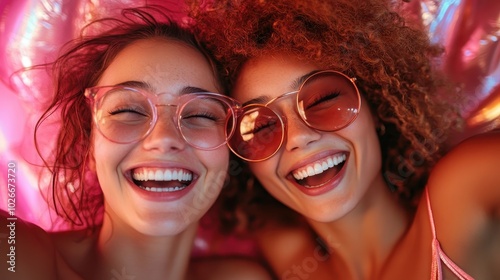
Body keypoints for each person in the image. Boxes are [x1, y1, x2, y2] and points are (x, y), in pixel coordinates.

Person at [188, 0, 500, 279]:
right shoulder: (282, 251)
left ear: (376, 105)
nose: (299, 137)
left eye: (324, 99)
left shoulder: (463, 188)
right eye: (259, 127)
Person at [0, 6, 272, 280]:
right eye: (127, 111)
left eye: (200, 114)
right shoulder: (18, 252)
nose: (164, 138)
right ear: (89, 146)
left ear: (229, 149)